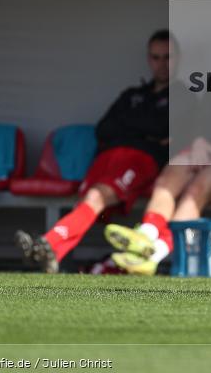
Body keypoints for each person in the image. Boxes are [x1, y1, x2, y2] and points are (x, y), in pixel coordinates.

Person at [104, 9, 211, 275]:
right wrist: (198, 140)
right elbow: (200, 118)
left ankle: (155, 253)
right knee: (169, 178)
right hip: (206, 150)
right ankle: (146, 235)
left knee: (196, 191)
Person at [15, 30, 180, 273]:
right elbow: (104, 129)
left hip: (141, 160)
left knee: (96, 198)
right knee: (88, 201)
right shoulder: (132, 95)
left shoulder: (185, 93)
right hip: (108, 157)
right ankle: (52, 253)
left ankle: (48, 242)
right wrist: (148, 131)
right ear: (148, 59)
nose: (162, 64)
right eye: (156, 57)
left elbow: (167, 129)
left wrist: (134, 128)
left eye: (168, 57)